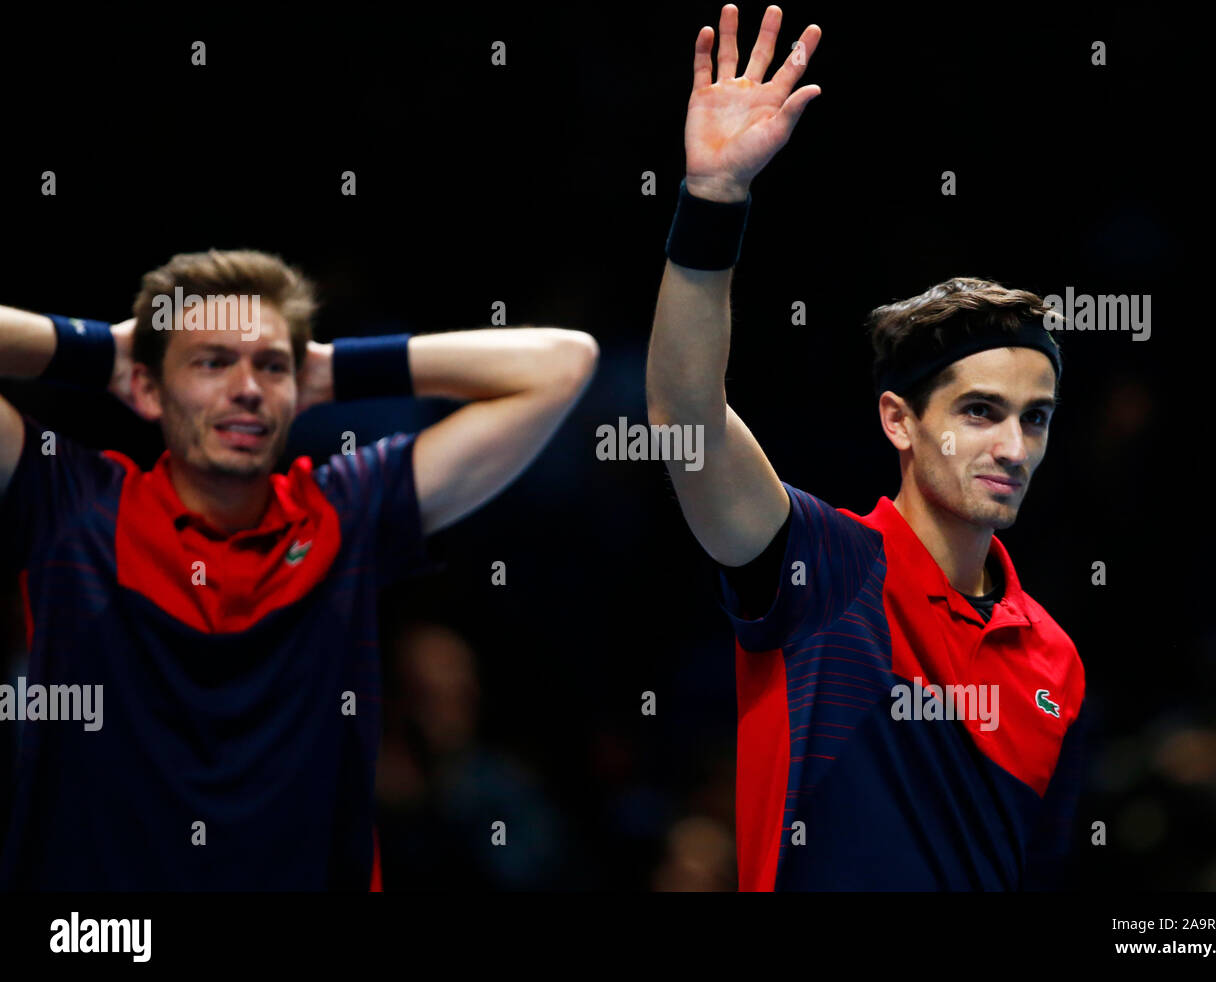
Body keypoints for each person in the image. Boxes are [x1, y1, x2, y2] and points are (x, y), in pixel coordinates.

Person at [646, 4, 1085, 890]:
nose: (1012, 445)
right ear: (898, 421)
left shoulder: (1056, 660)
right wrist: (714, 200)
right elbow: (685, 421)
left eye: (1034, 419)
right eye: (980, 411)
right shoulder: (826, 568)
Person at [0, 248, 597, 889]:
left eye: (272, 366)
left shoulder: (347, 509)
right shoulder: (71, 499)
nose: (249, 388)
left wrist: (334, 369)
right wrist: (98, 352)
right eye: (213, 362)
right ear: (145, 386)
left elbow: (564, 364)